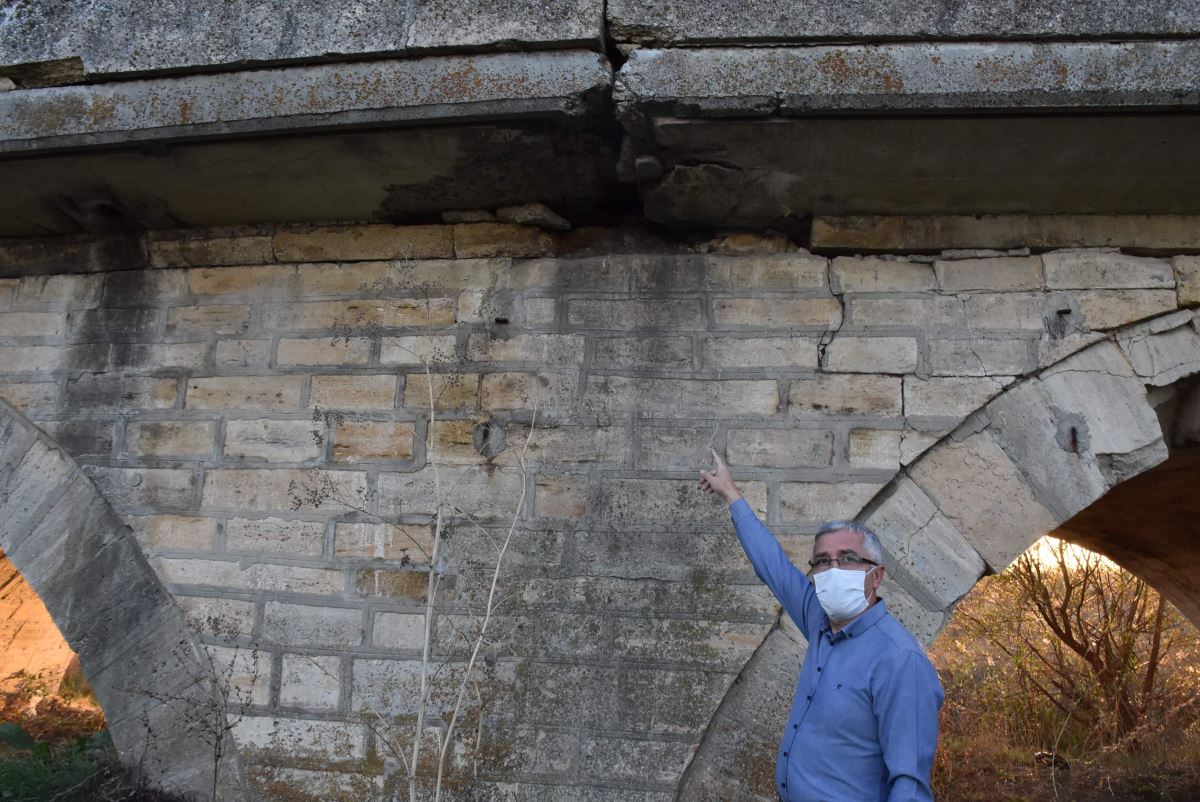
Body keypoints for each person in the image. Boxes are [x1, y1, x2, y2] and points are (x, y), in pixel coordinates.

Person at [700, 448, 942, 802]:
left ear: (877, 576)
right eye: (823, 561)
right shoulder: (820, 621)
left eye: (848, 559)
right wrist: (731, 494)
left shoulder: (899, 659)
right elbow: (774, 567)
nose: (833, 570)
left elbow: (909, 785)